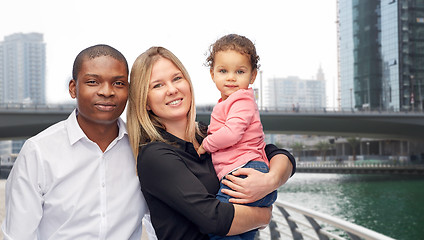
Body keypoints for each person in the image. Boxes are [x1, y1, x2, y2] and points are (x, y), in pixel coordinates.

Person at [127, 46, 296, 240]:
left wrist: (271, 179)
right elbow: (213, 219)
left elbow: (276, 153)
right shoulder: (155, 155)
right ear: (145, 101)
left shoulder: (208, 135)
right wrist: (264, 216)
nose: (172, 90)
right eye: (158, 85)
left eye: (177, 79)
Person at [2, 44, 155, 239]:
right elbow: (18, 235)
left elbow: (159, 222)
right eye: (93, 82)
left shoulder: (143, 150)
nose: (107, 92)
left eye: (118, 83)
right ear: (73, 88)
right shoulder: (38, 152)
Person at [196, 34, 275, 240]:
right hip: (245, 170)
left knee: (218, 226)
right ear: (212, 74)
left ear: (253, 76)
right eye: (223, 71)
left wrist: (207, 144)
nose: (231, 77)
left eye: (240, 71)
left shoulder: (241, 100)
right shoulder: (227, 102)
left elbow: (232, 133)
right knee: (242, 232)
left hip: (244, 171)